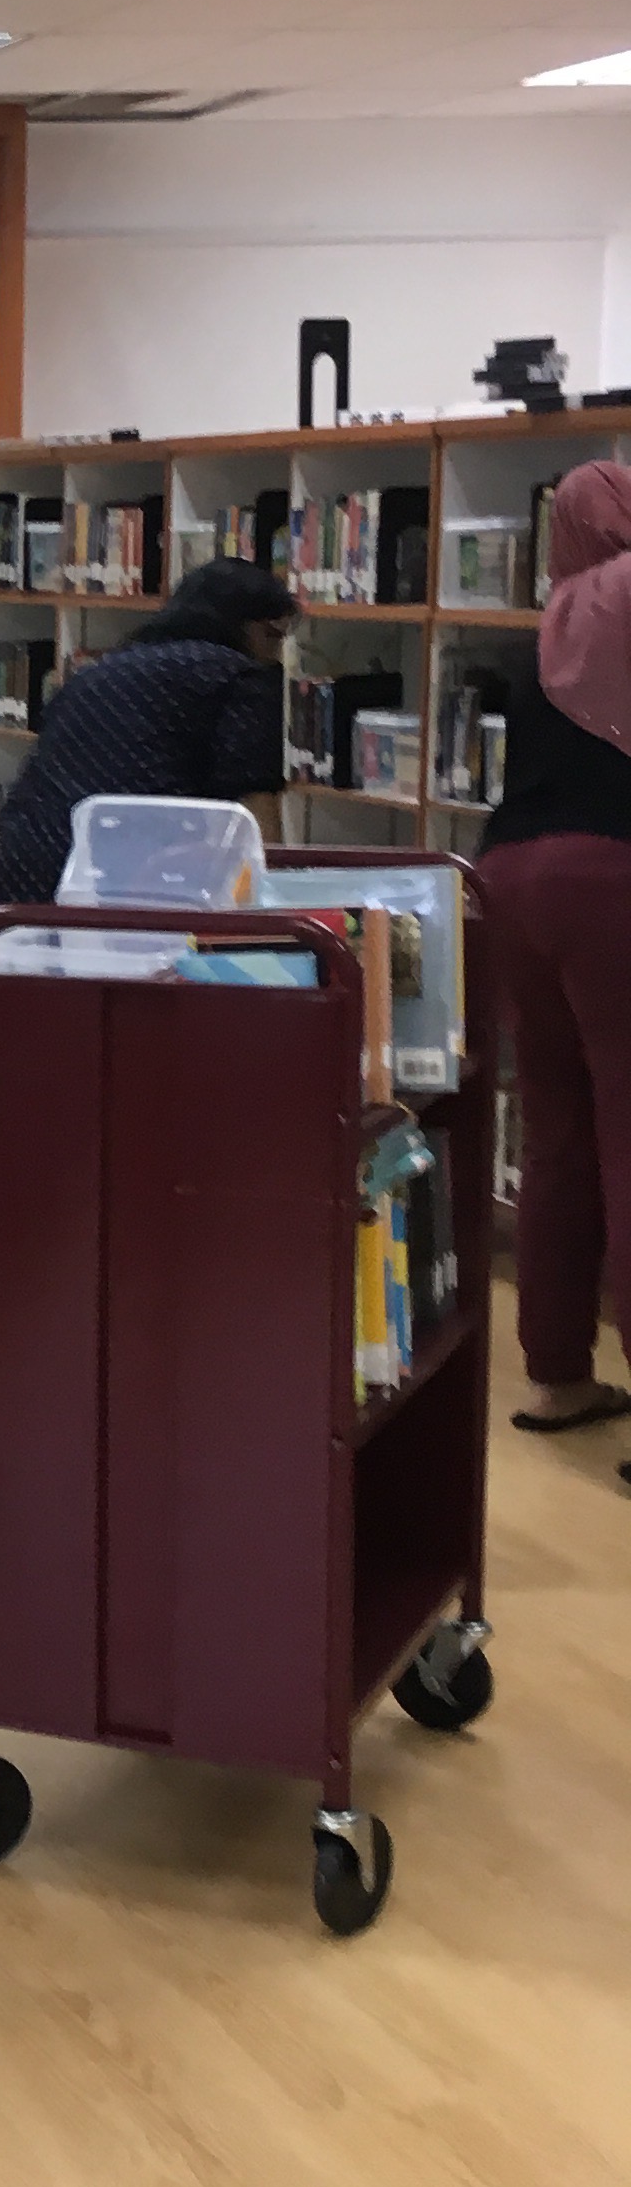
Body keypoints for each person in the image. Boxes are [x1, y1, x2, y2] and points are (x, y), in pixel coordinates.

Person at [479, 457, 631, 1460]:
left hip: (509, 880)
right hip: (614, 879)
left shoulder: (540, 633)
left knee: (557, 1133)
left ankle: (558, 1375)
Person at [0, 558, 295, 902]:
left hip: (28, 866)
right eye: (273, 634)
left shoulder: (99, 671)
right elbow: (254, 807)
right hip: (132, 877)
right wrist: (276, 903)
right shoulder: (241, 678)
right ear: (240, 624)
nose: (275, 652)